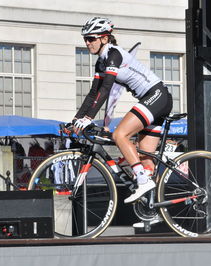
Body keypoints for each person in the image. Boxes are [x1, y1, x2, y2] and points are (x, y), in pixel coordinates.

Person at [72, 17, 172, 204]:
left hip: (157, 95)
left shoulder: (114, 55)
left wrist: (88, 118)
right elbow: (94, 93)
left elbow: (106, 87)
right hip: (154, 99)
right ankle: (154, 208)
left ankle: (142, 181)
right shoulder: (101, 62)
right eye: (85, 39)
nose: (87, 43)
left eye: (91, 38)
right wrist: (76, 119)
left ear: (104, 38)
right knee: (144, 159)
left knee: (120, 135)